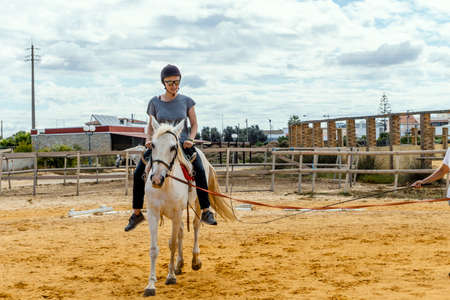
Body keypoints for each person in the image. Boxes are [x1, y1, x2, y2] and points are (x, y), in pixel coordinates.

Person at [124, 64, 217, 231]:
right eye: (170, 82)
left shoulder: (187, 101)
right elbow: (151, 126)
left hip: (181, 143)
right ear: (163, 83)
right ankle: (136, 213)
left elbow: (194, 124)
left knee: (200, 169)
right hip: (160, 144)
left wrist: (191, 138)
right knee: (139, 171)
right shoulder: (154, 102)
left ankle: (205, 210)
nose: (174, 85)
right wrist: (148, 140)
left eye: (176, 82)